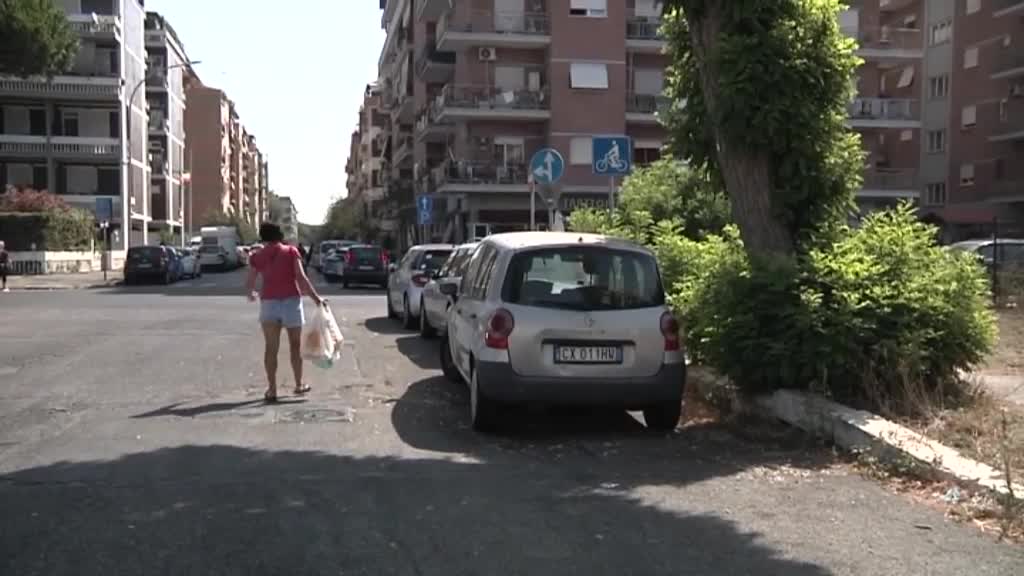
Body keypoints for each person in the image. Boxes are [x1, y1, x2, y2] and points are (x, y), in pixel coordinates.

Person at [246, 222, 323, 402]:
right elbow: (301, 278)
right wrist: (317, 299)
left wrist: (251, 293)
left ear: (263, 237)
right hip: (291, 302)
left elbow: (250, 280)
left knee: (270, 348)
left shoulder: (258, 256)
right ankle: (299, 384)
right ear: (279, 235)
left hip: (269, 303)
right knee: (295, 346)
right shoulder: (291, 252)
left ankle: (272, 389)